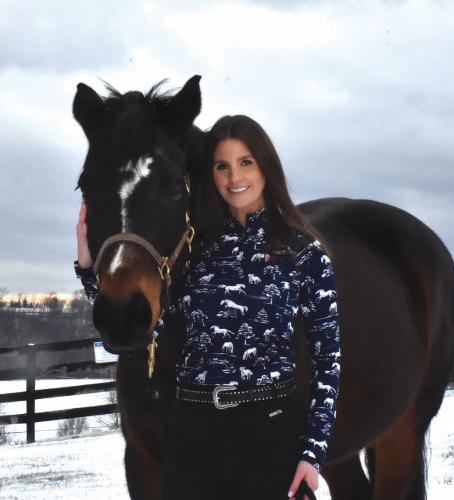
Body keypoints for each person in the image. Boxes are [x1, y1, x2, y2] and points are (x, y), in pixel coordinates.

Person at [75, 115, 340, 500]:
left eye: (245, 162)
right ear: (209, 175)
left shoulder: (305, 254)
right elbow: (147, 325)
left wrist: (313, 453)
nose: (234, 177)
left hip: (271, 431)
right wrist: (88, 269)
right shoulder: (195, 254)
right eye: (222, 166)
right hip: (194, 435)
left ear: (266, 165)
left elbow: (328, 360)